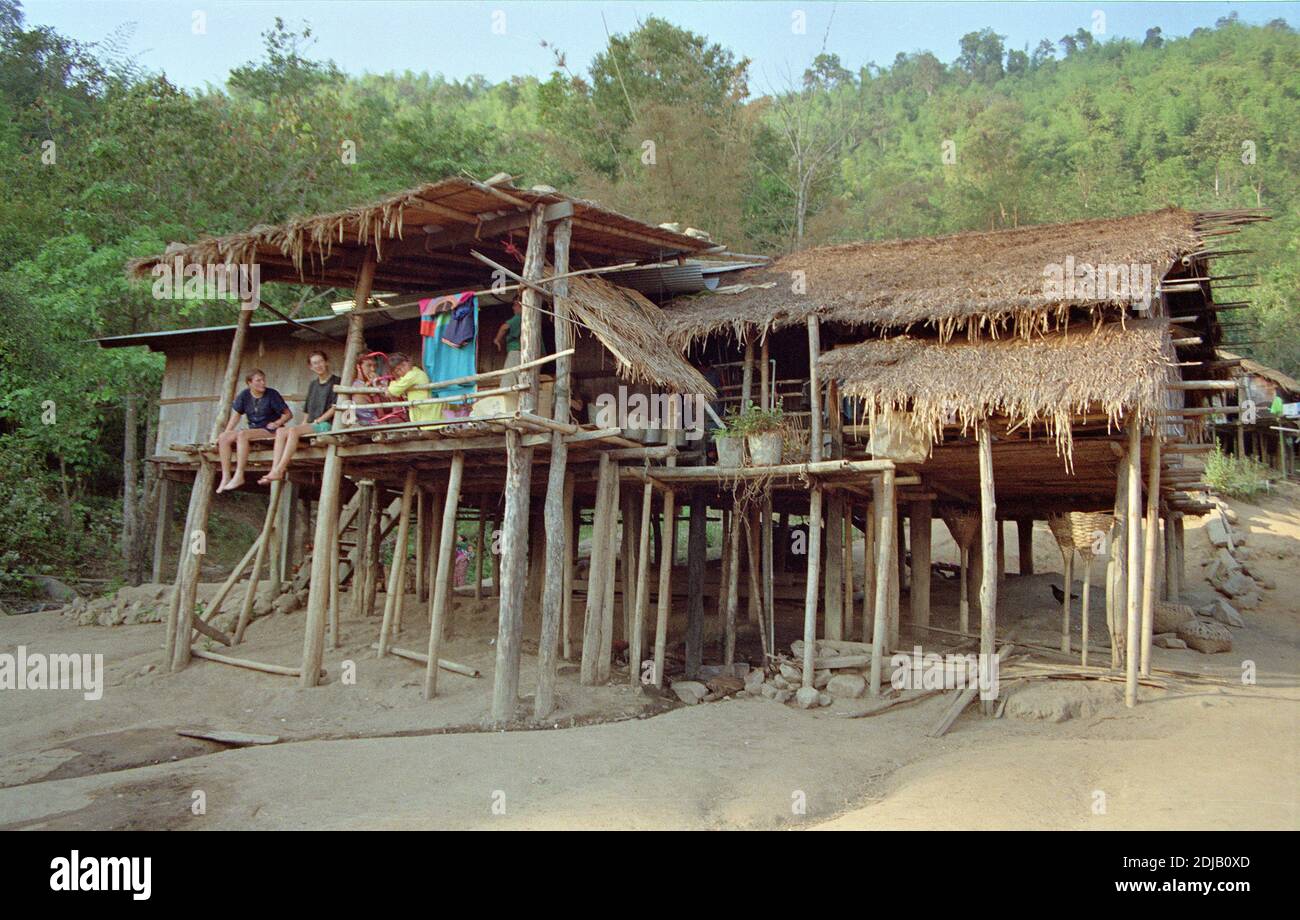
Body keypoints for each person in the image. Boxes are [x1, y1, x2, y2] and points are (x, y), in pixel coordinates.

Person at [258, 351, 339, 485]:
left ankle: (280, 469)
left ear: (326, 362)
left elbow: (335, 407)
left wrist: (319, 420)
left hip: (326, 425)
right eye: (314, 363)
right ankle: (274, 469)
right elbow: (307, 410)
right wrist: (303, 425)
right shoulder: (313, 384)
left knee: (293, 431)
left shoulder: (336, 381)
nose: (318, 365)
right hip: (312, 425)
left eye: (320, 362)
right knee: (281, 431)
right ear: (311, 367)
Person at [217, 369, 290, 492]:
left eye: (263, 380)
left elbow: (288, 414)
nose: (262, 383)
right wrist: (226, 433)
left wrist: (277, 423)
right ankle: (226, 477)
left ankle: (239, 475)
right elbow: (236, 416)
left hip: (270, 430)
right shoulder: (244, 395)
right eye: (258, 380)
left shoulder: (272, 394)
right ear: (249, 383)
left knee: (243, 434)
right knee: (223, 437)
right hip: (254, 430)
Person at [387, 352, 440, 427]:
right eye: (398, 370)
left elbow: (392, 391)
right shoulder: (412, 374)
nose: (403, 370)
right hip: (423, 414)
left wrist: (392, 383)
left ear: (409, 362)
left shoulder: (413, 374)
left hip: (428, 415)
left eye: (403, 365)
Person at [493, 298, 523, 385]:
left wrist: (497, 340)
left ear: (521, 306)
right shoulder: (531, 319)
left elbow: (504, 327)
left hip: (516, 352)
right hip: (524, 353)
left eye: (515, 305)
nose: (513, 308)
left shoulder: (519, 317)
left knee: (508, 379)